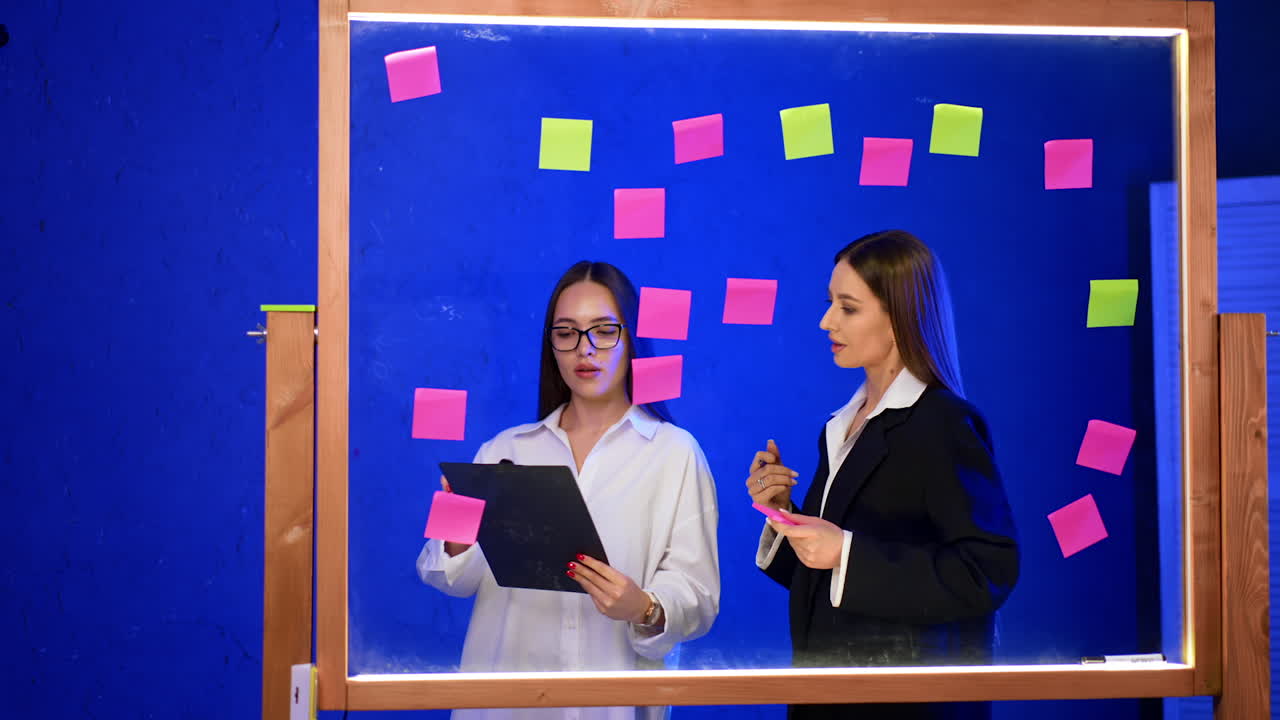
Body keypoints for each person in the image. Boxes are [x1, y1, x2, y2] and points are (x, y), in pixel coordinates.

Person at [417, 260, 720, 720]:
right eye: (566, 332)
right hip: (504, 704)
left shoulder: (675, 453)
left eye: (604, 330)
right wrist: (457, 532)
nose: (585, 349)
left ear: (632, 336)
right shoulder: (501, 450)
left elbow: (698, 594)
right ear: (551, 345)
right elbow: (444, 576)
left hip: (610, 705)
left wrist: (645, 606)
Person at [747, 230, 1019, 720]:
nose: (826, 320)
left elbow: (988, 572)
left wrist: (846, 552)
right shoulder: (842, 425)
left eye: (848, 308)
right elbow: (827, 580)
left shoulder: (943, 422)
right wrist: (784, 515)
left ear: (898, 318)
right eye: (830, 303)